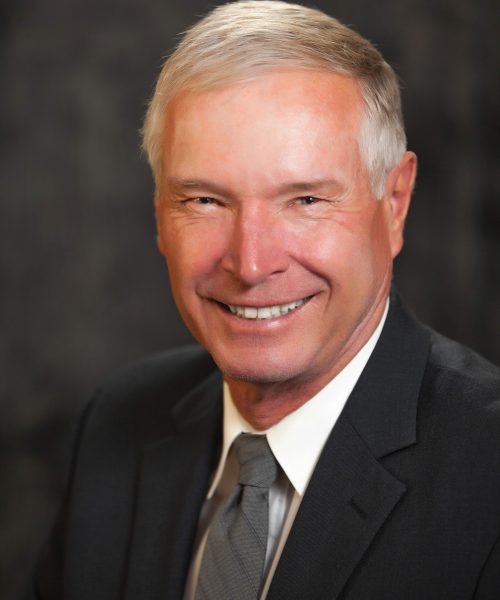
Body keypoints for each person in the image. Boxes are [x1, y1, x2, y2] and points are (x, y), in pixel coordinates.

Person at [29, 1, 500, 598]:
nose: (251, 264)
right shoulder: (115, 425)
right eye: (204, 201)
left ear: (396, 201)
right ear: (159, 215)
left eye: (305, 200)